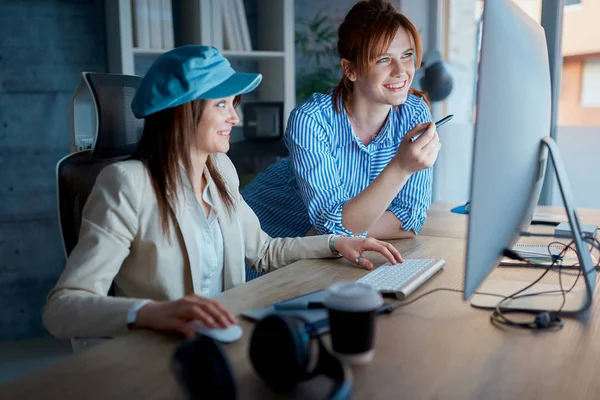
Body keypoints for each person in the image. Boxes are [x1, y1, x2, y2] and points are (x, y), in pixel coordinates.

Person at [42, 45, 403, 341]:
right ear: (183, 111)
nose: (236, 118)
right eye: (221, 105)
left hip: (227, 339)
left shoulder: (220, 172)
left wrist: (337, 242)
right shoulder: (126, 184)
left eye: (234, 104)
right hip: (164, 354)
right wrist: (150, 313)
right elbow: (63, 307)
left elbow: (263, 250)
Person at [242, 0, 441, 242]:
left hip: (322, 252)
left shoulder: (414, 114)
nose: (401, 71)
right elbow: (331, 227)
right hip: (264, 245)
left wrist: (327, 235)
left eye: (407, 55)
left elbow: (410, 220)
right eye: (384, 59)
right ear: (351, 70)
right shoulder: (311, 121)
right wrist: (401, 167)